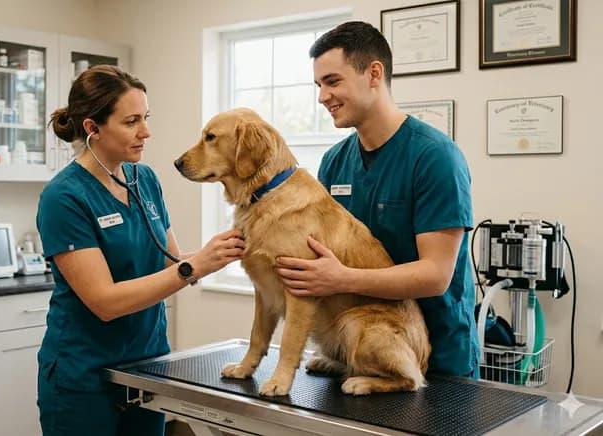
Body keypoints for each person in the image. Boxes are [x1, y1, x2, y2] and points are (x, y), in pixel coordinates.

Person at [36, 65, 245, 436]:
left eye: (145, 118)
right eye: (131, 121)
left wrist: (218, 253)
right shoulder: (64, 197)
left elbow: (172, 261)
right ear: (92, 128)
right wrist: (193, 267)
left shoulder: (144, 178)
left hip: (148, 370)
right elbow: (105, 302)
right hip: (84, 377)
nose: (146, 132)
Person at [274, 21, 477, 378]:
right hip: (355, 355)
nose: (322, 97)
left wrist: (341, 279)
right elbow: (318, 255)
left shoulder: (435, 157)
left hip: (439, 359)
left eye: (333, 82)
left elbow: (434, 275)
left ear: (374, 73)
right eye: (319, 85)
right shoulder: (335, 162)